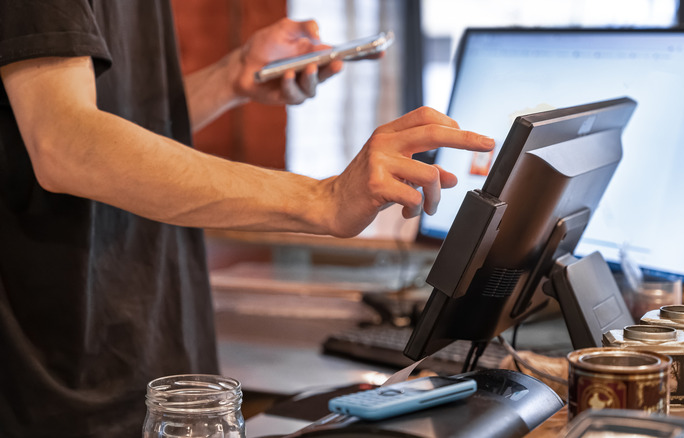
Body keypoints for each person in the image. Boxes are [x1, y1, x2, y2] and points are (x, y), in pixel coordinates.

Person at [0, 1, 494, 436]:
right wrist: (323, 198)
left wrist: (232, 76)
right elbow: (65, 145)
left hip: (156, 361)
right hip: (62, 379)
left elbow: (116, 130)